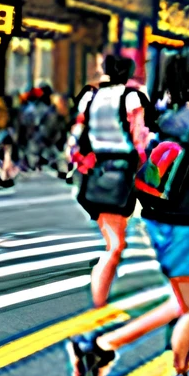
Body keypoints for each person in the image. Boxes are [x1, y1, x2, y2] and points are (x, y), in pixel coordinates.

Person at [66, 44, 189, 376]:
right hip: (180, 226)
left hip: (160, 218)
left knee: (181, 303)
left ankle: (98, 345)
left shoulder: (166, 114)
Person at [72, 53, 150, 310]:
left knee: (114, 241)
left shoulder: (89, 97)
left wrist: (79, 163)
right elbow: (140, 141)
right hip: (120, 174)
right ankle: (99, 301)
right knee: (115, 246)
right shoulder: (132, 99)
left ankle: (101, 297)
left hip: (96, 173)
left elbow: (76, 137)